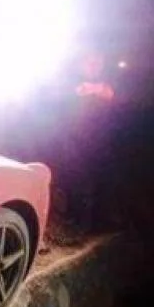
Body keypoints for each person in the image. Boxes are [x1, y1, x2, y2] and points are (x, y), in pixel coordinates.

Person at [62, 51, 116, 231]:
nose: (94, 65)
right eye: (89, 61)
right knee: (75, 178)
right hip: (74, 139)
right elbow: (62, 95)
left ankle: (98, 220)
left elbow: (114, 94)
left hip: (101, 140)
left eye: (98, 62)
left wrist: (97, 89)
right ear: (81, 63)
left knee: (100, 180)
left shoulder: (107, 81)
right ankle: (75, 217)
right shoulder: (71, 80)